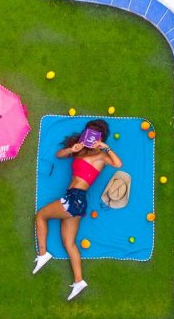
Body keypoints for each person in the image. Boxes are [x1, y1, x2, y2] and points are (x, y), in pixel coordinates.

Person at [33, 119, 123, 300]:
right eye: (88, 132)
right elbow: (59, 155)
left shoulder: (101, 157)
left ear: (100, 138)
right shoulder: (79, 150)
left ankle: (43, 254)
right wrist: (70, 150)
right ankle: (79, 281)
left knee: (41, 215)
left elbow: (118, 164)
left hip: (75, 199)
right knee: (69, 243)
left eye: (95, 135)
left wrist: (106, 147)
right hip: (75, 200)